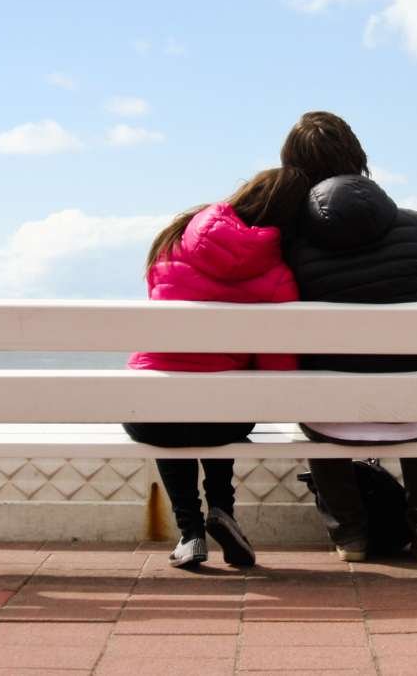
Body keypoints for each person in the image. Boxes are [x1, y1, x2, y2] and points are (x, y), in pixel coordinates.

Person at [280, 111, 417, 563]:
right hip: (415, 407)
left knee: (319, 411)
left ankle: (351, 534)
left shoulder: (292, 241)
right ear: (358, 158)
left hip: (330, 413)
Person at [124, 168, 309, 568]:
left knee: (172, 407)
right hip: (221, 418)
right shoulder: (278, 274)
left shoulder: (173, 240)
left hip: (151, 413)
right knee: (223, 399)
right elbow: (278, 370)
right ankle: (223, 510)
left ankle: (190, 533)